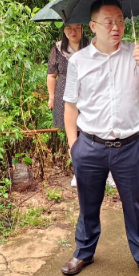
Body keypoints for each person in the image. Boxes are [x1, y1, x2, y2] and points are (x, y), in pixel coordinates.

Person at [61, 0, 139, 276]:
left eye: (120, 20)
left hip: (129, 147)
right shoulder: (79, 61)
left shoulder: (136, 54)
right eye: (109, 22)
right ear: (93, 26)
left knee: (134, 204)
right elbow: (70, 106)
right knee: (88, 204)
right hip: (90, 146)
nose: (116, 26)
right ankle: (84, 251)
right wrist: (74, 147)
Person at [47, 24, 115, 188]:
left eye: (77, 28)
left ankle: (108, 173)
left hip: (90, 95)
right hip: (66, 97)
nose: (73, 32)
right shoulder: (58, 49)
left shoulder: (92, 45)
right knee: (73, 136)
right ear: (64, 31)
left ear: (84, 29)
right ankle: (79, 172)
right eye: (69, 28)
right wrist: (51, 97)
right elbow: (51, 75)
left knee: (98, 134)